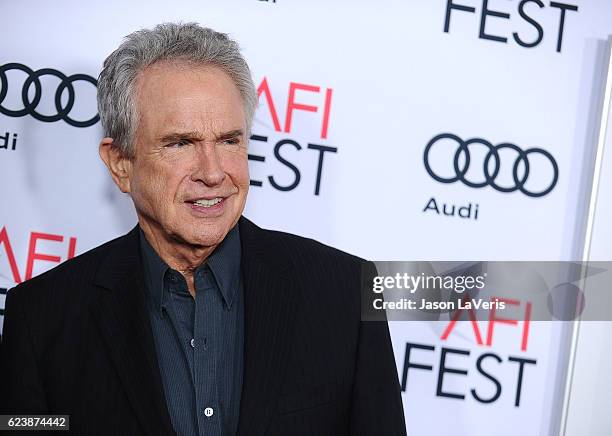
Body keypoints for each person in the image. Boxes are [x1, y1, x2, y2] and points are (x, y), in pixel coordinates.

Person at [0, 22, 406, 435]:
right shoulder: (43, 320)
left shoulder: (344, 292)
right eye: (181, 143)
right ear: (121, 163)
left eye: (230, 141)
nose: (213, 173)